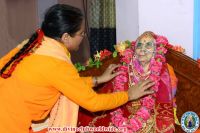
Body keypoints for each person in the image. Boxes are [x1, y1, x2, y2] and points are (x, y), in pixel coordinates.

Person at [0, 4, 155, 133]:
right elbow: (93, 102)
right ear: (66, 37)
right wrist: (129, 94)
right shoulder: (56, 63)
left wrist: (97, 79)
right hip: (10, 123)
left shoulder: (39, 44)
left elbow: (65, 82)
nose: (84, 37)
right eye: (81, 33)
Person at [78, 31, 178, 133]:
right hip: (122, 109)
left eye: (148, 45)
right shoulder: (125, 67)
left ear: (155, 51)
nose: (142, 49)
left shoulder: (162, 69)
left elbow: (165, 102)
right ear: (134, 50)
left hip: (149, 113)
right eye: (139, 45)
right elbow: (112, 93)